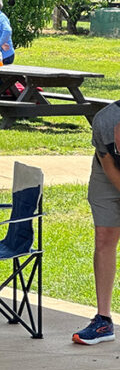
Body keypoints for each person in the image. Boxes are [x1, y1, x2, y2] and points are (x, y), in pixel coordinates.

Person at [72, 102, 120, 345]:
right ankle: (103, 321)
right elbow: (109, 166)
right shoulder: (104, 121)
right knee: (104, 237)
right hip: (107, 171)